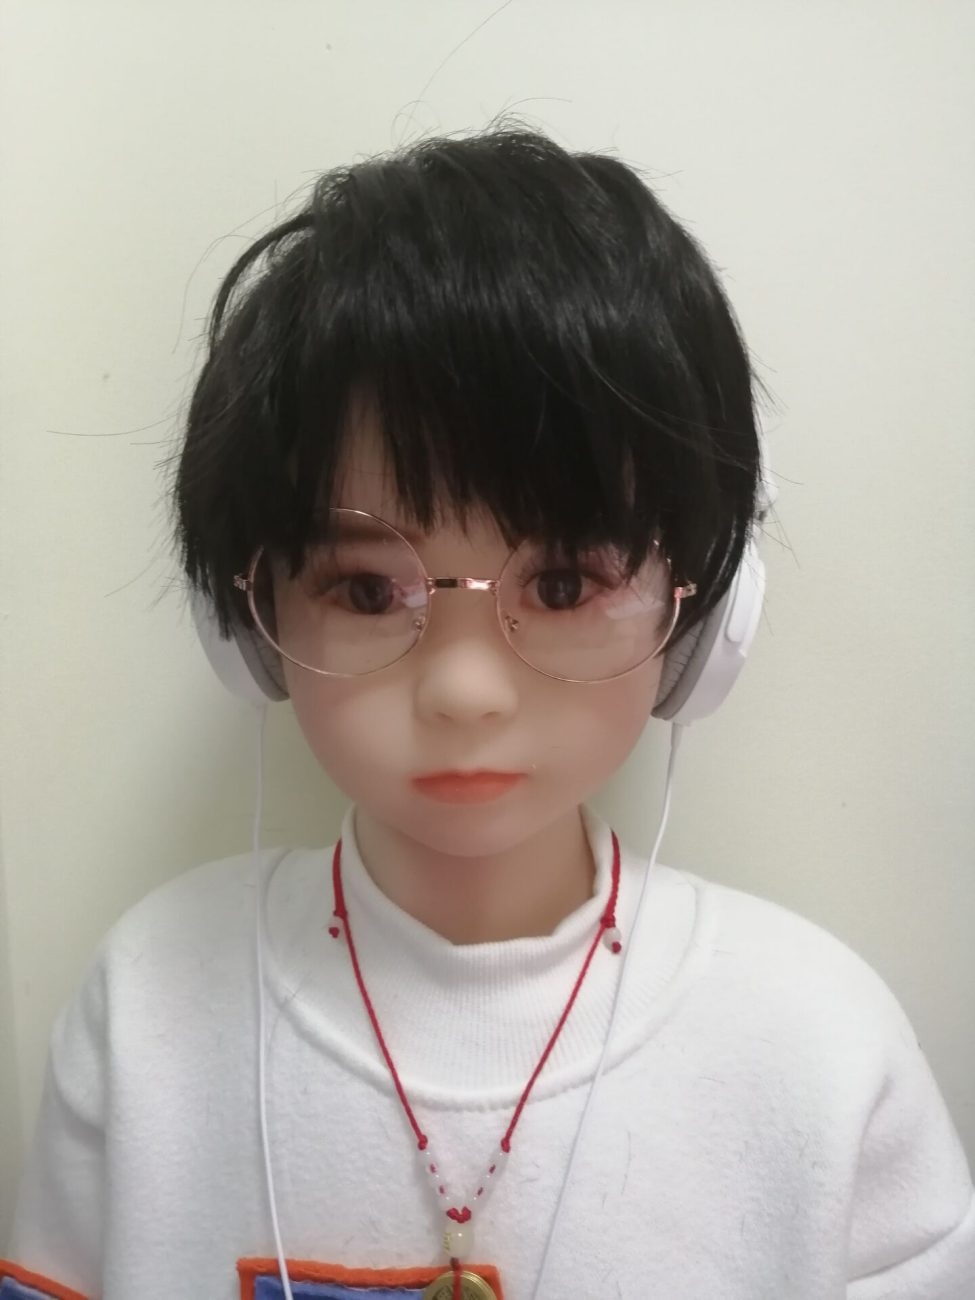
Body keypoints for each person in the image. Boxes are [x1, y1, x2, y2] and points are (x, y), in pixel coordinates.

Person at [3, 125, 973, 1300]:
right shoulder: (149, 1003)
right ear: (248, 623)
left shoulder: (822, 1049)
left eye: (562, 584)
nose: (464, 692)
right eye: (367, 590)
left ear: (705, 612)